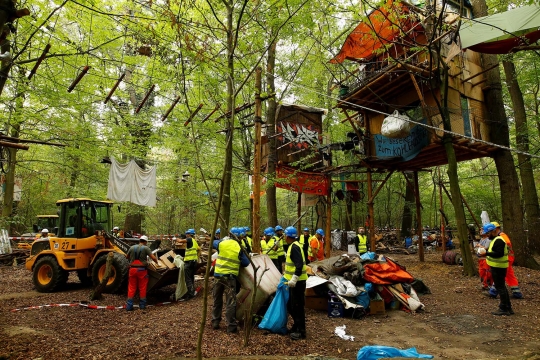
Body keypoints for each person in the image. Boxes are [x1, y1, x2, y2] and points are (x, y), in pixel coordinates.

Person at [212, 235, 250, 333]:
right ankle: (231, 326)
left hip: (218, 276)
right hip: (230, 278)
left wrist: (222, 240)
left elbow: (214, 243)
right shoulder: (239, 247)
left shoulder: (221, 243)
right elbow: (246, 263)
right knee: (230, 302)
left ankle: (215, 321)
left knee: (217, 298)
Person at [481, 223, 513, 315]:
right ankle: (508, 307)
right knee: (502, 287)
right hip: (497, 267)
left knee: (500, 288)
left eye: (488, 233)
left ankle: (504, 308)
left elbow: (499, 254)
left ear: (493, 231)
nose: (487, 235)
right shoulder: (495, 240)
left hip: (499, 267)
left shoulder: (499, 240)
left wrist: (486, 254)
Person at [283, 226, 307, 340]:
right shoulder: (293, 246)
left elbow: (299, 265)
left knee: (297, 307)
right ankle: (297, 326)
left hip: (298, 282)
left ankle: (301, 332)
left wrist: (294, 279)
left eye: (284, 235)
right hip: (294, 282)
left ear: (288, 236)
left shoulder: (295, 247)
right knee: (291, 306)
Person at [488, 222, 523, 299]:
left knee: (500, 275)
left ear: (495, 229)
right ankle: (516, 292)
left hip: (506, 259)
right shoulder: (500, 236)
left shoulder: (502, 236)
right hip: (507, 258)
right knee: (509, 275)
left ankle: (493, 292)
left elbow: (505, 245)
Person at [125, 235, 158, 311]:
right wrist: (157, 262)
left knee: (131, 288)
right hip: (142, 270)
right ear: (145, 241)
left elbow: (127, 257)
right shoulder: (146, 248)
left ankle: (129, 306)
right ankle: (142, 306)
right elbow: (153, 257)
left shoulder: (132, 247)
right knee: (142, 288)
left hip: (132, 270)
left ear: (140, 240)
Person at [177, 228, 200, 300]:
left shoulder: (190, 239)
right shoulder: (195, 241)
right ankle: (192, 291)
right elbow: (199, 249)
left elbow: (180, 241)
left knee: (188, 279)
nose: (186, 235)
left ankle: (190, 294)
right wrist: (197, 258)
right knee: (191, 277)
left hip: (189, 262)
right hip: (194, 262)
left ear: (190, 234)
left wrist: (176, 238)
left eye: (187, 233)